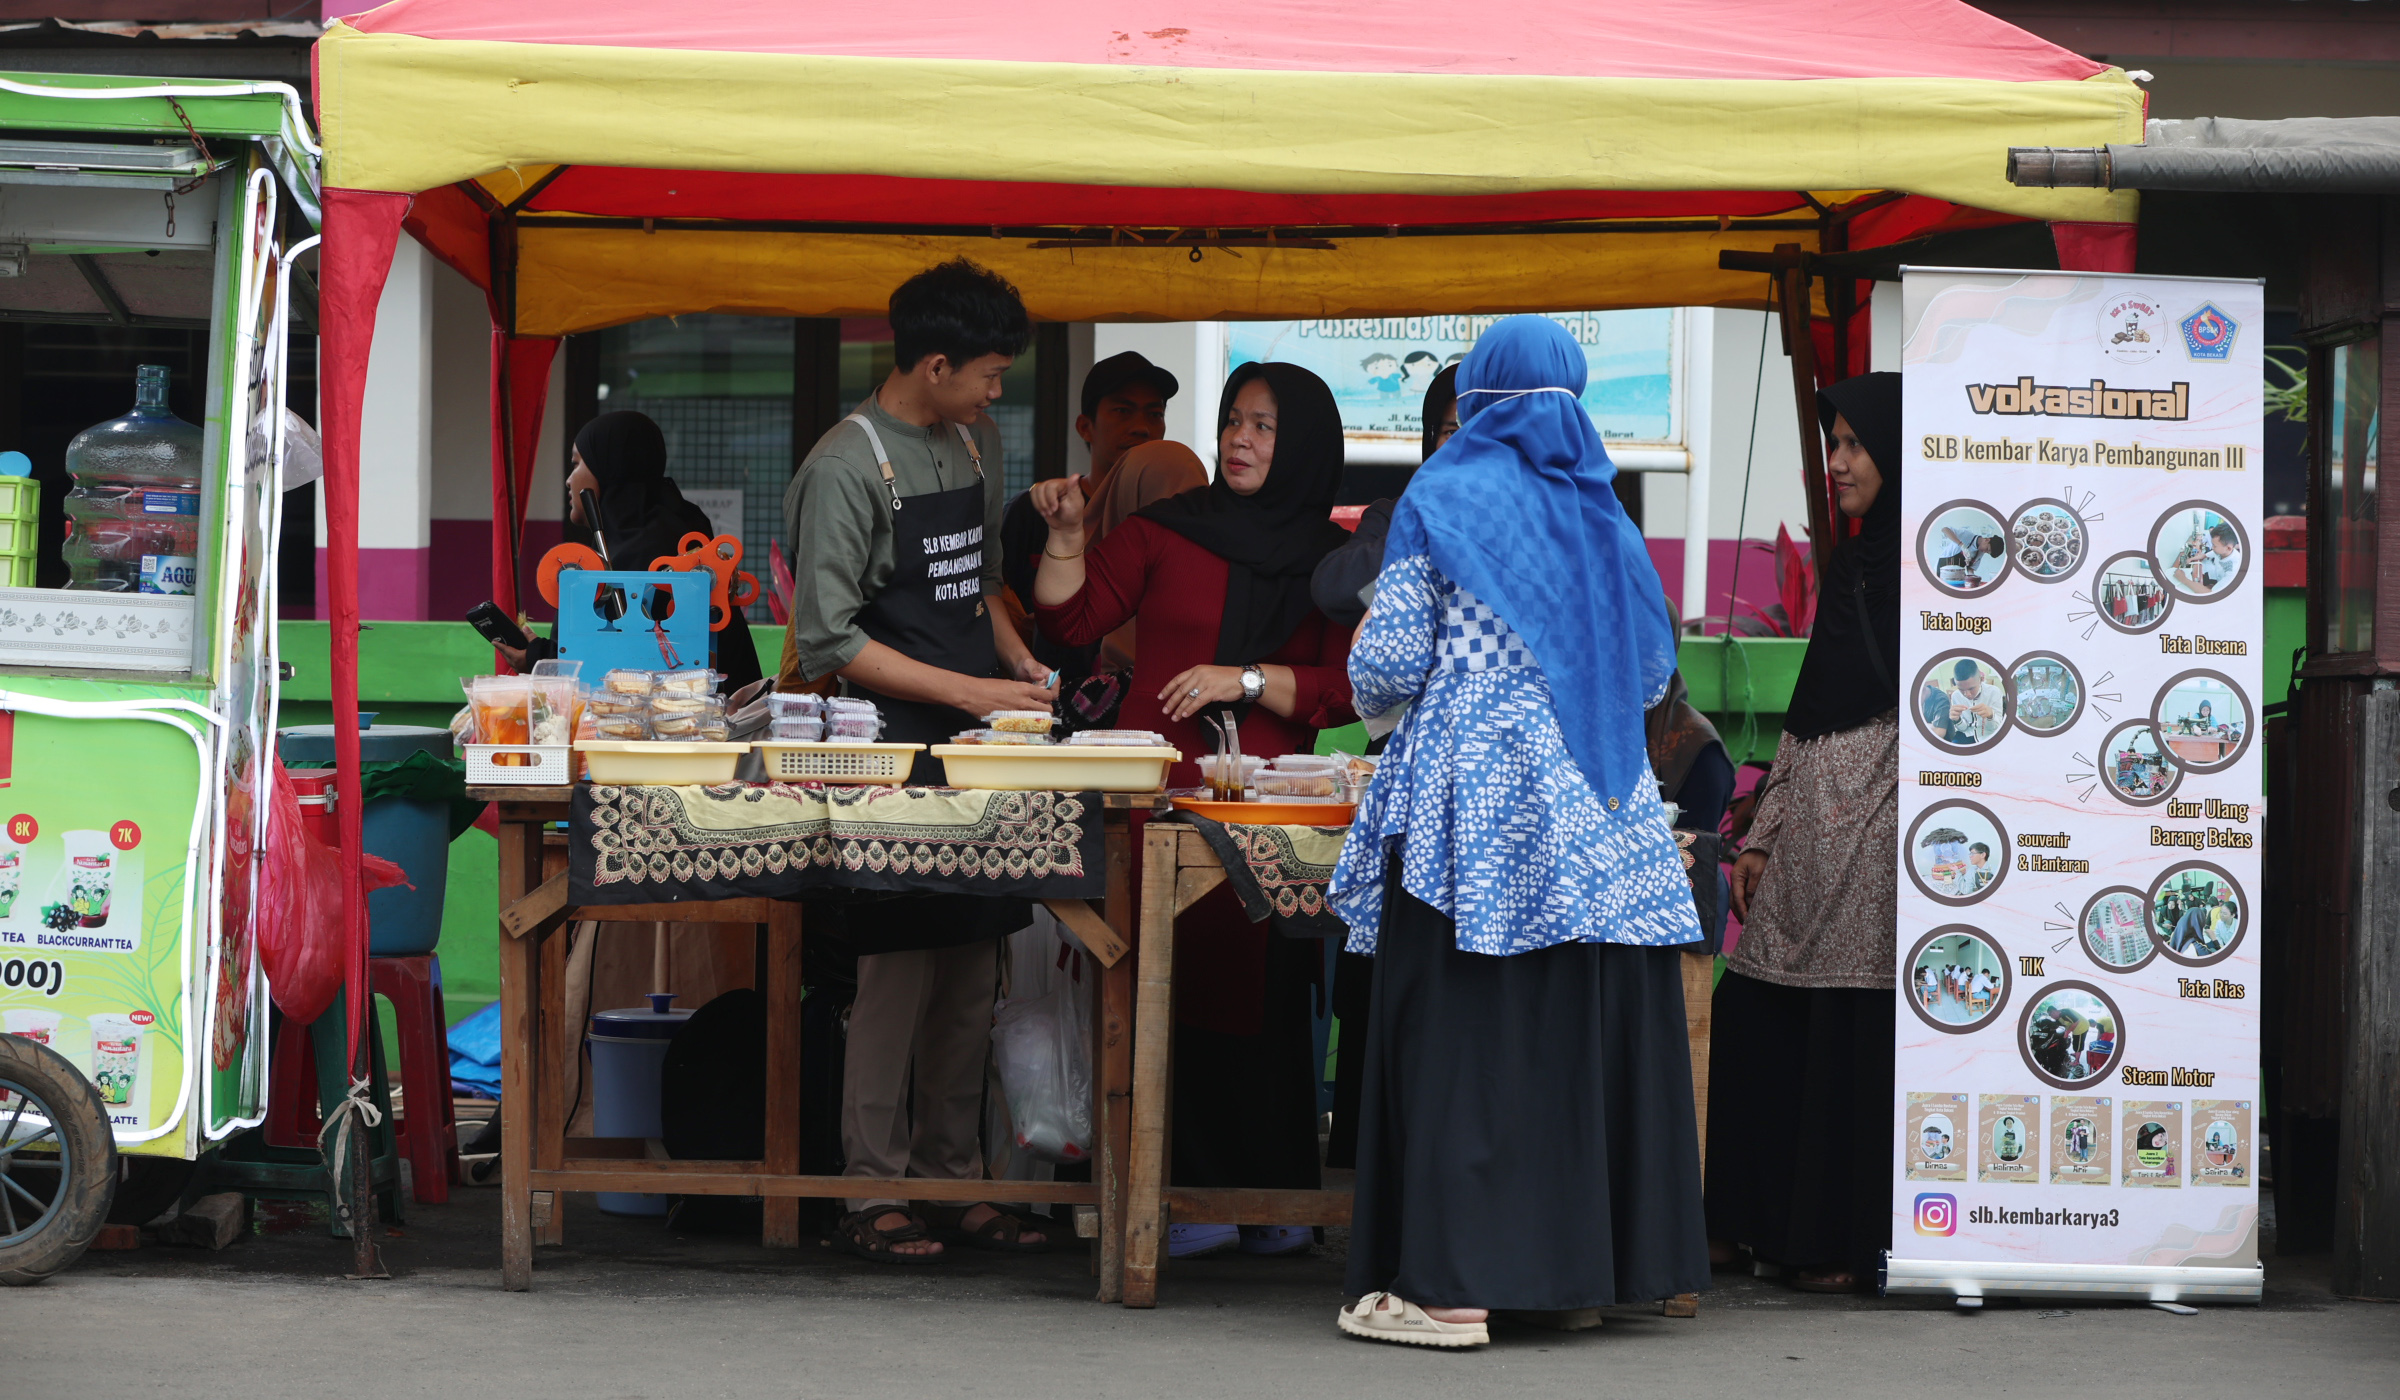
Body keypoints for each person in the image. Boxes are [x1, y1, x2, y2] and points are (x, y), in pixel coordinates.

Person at [1325, 316, 1706, 1349]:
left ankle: (1451, 1289)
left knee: (1464, 1030)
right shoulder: (1605, 519)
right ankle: (1566, 1277)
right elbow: (1650, 675)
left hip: (1476, 797)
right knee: (1570, 1029)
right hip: (1602, 792)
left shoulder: (1442, 496)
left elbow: (1389, 662)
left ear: (1479, 400)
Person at [1031, 359, 1356, 1259]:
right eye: (1234, 422)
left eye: (1265, 428)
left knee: (1264, 1007)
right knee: (1160, 994)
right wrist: (1064, 537)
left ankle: (1272, 1194)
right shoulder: (1165, 531)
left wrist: (1245, 678)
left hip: (1273, 812)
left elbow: (1348, 687)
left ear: (1303, 446)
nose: (1241, 441)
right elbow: (1072, 619)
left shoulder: (1330, 561)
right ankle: (1167, 1195)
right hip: (1159, 805)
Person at [781, 259, 1058, 1264]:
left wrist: (1016, 657)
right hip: (886, 749)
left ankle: (956, 1180)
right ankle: (873, 1186)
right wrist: (972, 692)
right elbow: (829, 639)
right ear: (933, 363)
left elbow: (976, 583)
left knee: (970, 966)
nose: (996, 393)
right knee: (896, 973)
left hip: (974, 749)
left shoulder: (964, 446)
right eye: (986, 374)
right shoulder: (848, 465)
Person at [1708, 371, 1903, 1295]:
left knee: (1847, 1018)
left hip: (1885, 820)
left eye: (1854, 444)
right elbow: (1809, 711)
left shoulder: (1941, 571)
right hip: (1818, 817)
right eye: (1833, 445)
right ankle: (1758, 1225)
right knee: (1761, 1001)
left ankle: (1833, 1239)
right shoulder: (1859, 565)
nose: (1838, 462)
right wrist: (1764, 831)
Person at [497, 410, 764, 690]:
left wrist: (539, 660)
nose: (568, 480)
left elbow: (632, 666)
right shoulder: (674, 527)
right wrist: (540, 654)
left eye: (577, 464)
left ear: (609, 468)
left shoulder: (643, 551)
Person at [997, 352, 1203, 695]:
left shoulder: (1183, 520)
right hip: (1049, 699)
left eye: (1155, 413)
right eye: (1122, 411)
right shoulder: (1041, 512)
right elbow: (1001, 603)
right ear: (1084, 426)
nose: (1141, 426)